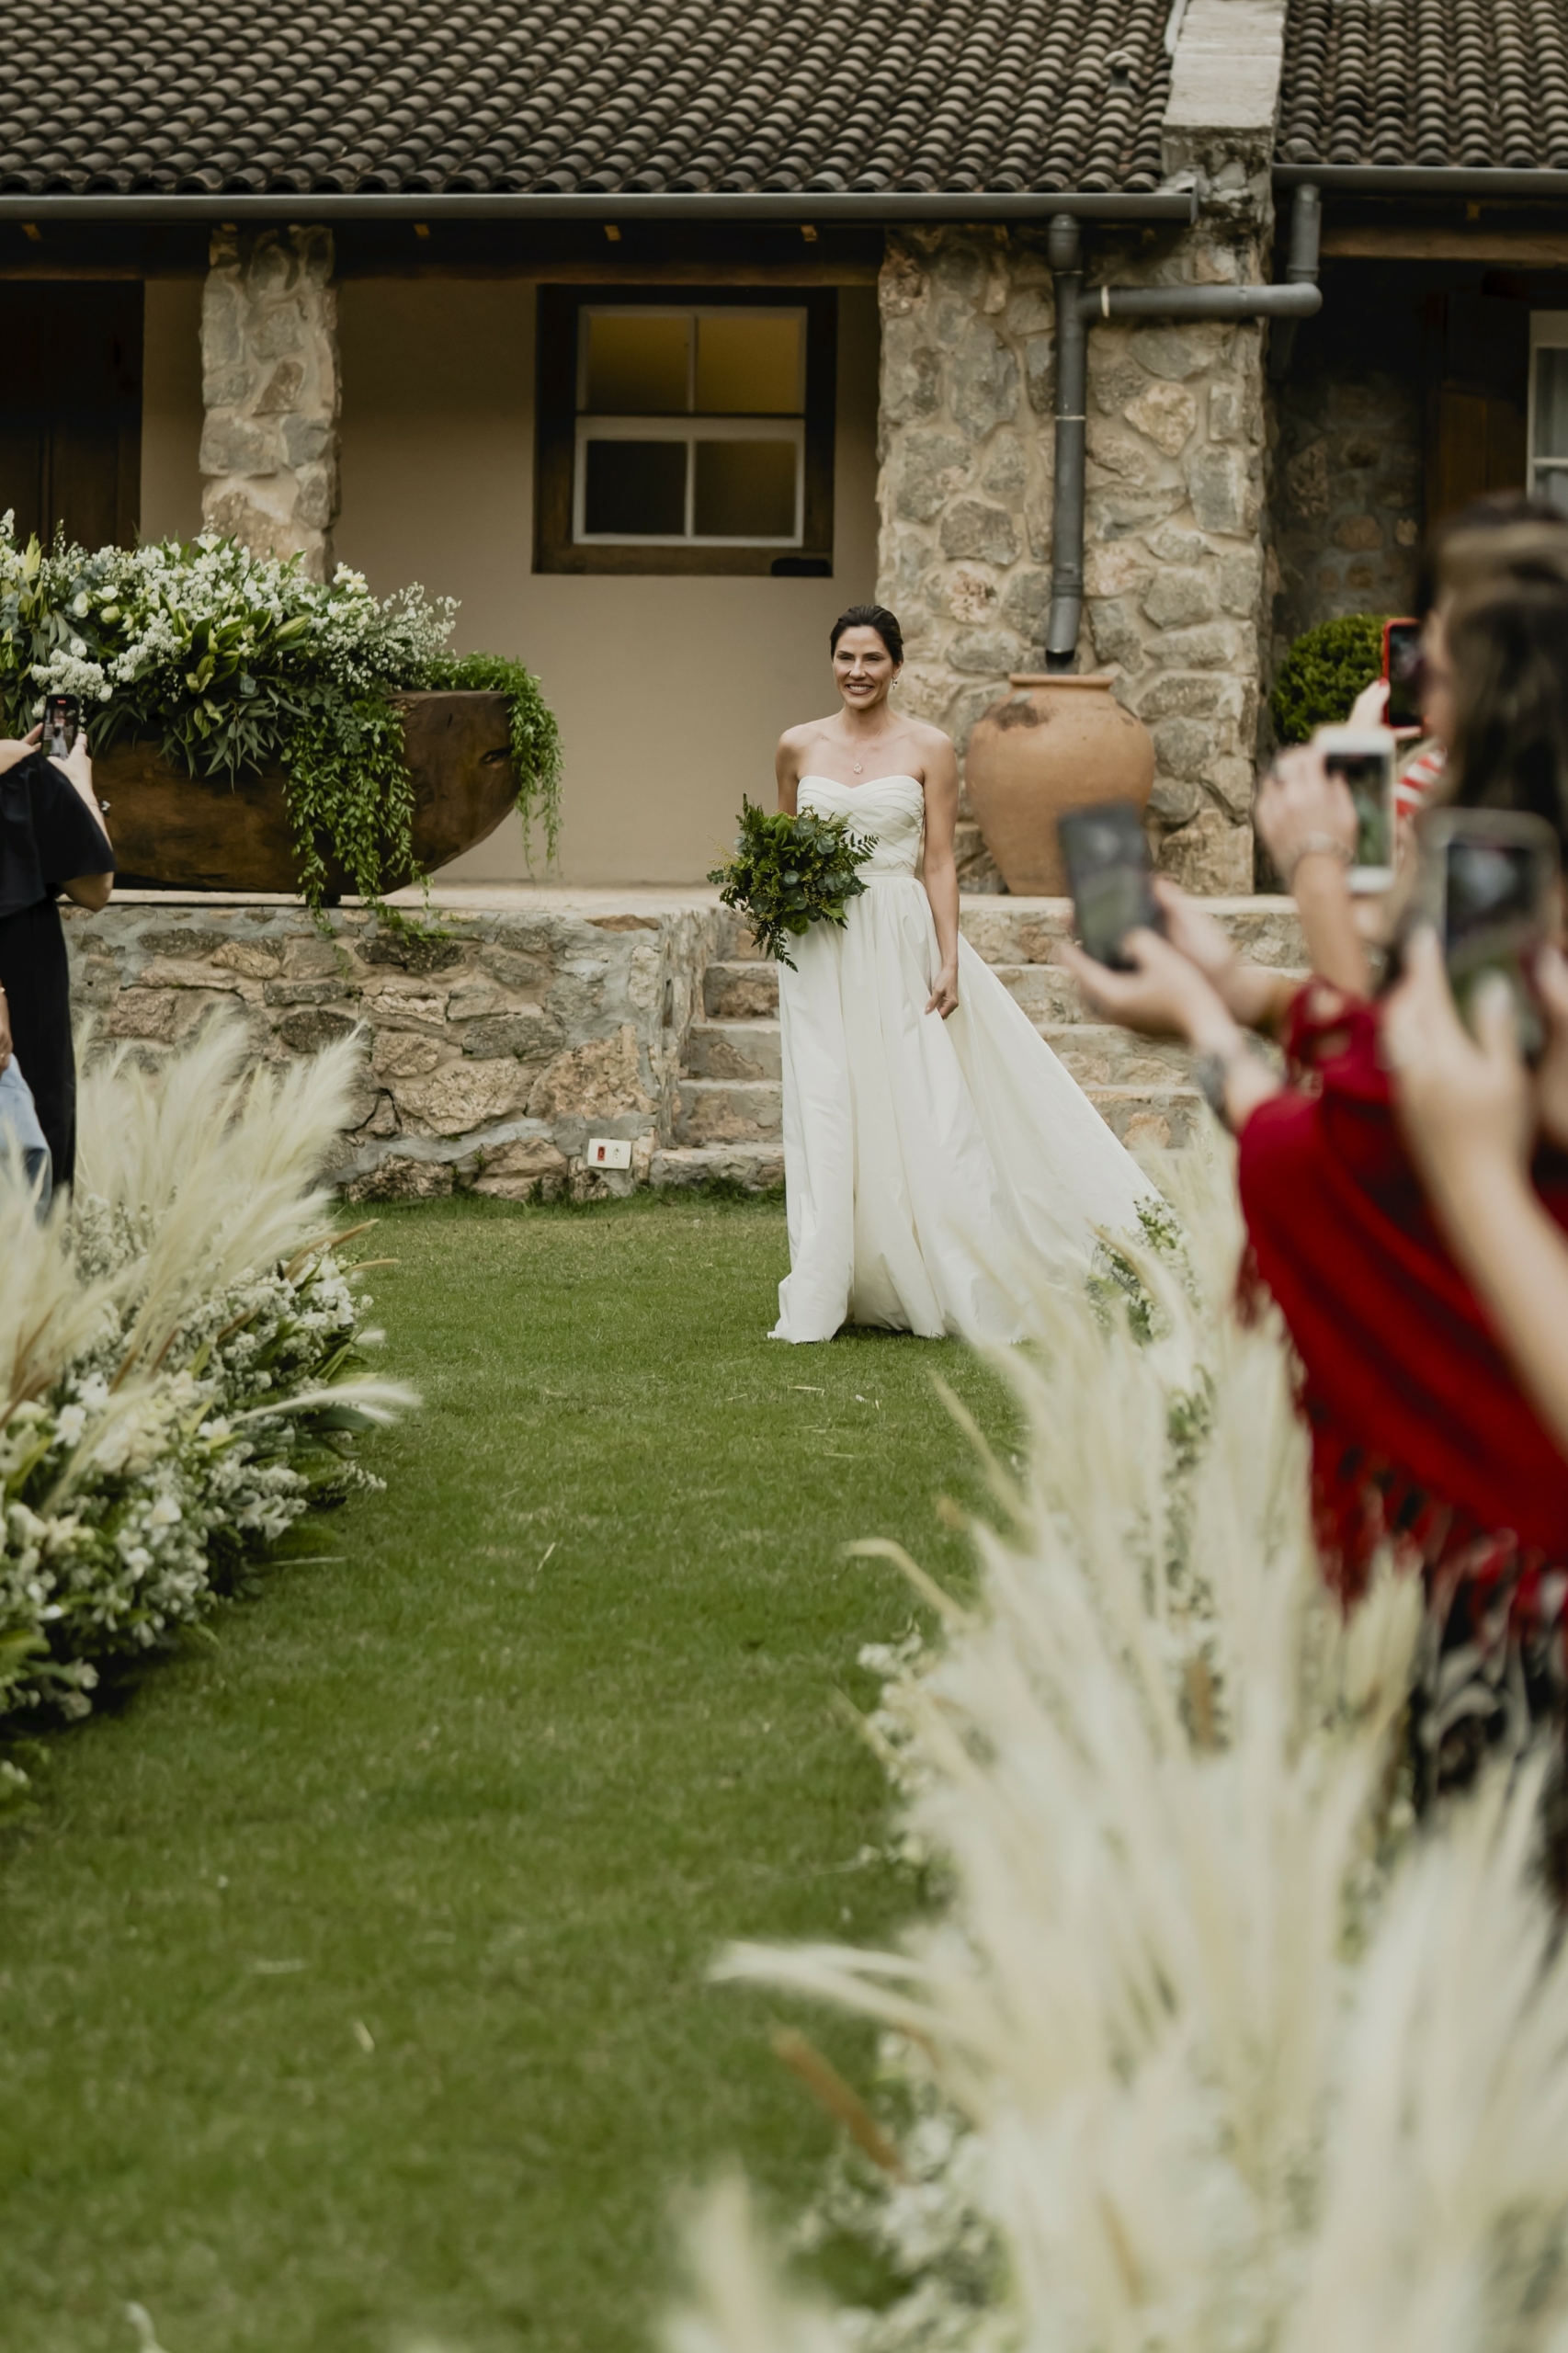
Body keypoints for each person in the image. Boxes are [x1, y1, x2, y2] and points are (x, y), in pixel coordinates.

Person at [770, 605, 1154, 1345]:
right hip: (820, 949)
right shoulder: (796, 746)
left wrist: (948, 956)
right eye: (846, 657)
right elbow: (780, 846)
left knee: (926, 1104)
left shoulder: (930, 748)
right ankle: (828, 1281)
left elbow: (939, 860)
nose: (857, 672)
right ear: (832, 661)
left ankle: (952, 1268)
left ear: (896, 666)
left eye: (873, 659)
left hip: (898, 936)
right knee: (827, 1107)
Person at [0, 718, 114, 1192]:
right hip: (20, 990)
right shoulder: (19, 770)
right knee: (31, 1168)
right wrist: (76, 785)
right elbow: (95, 886)